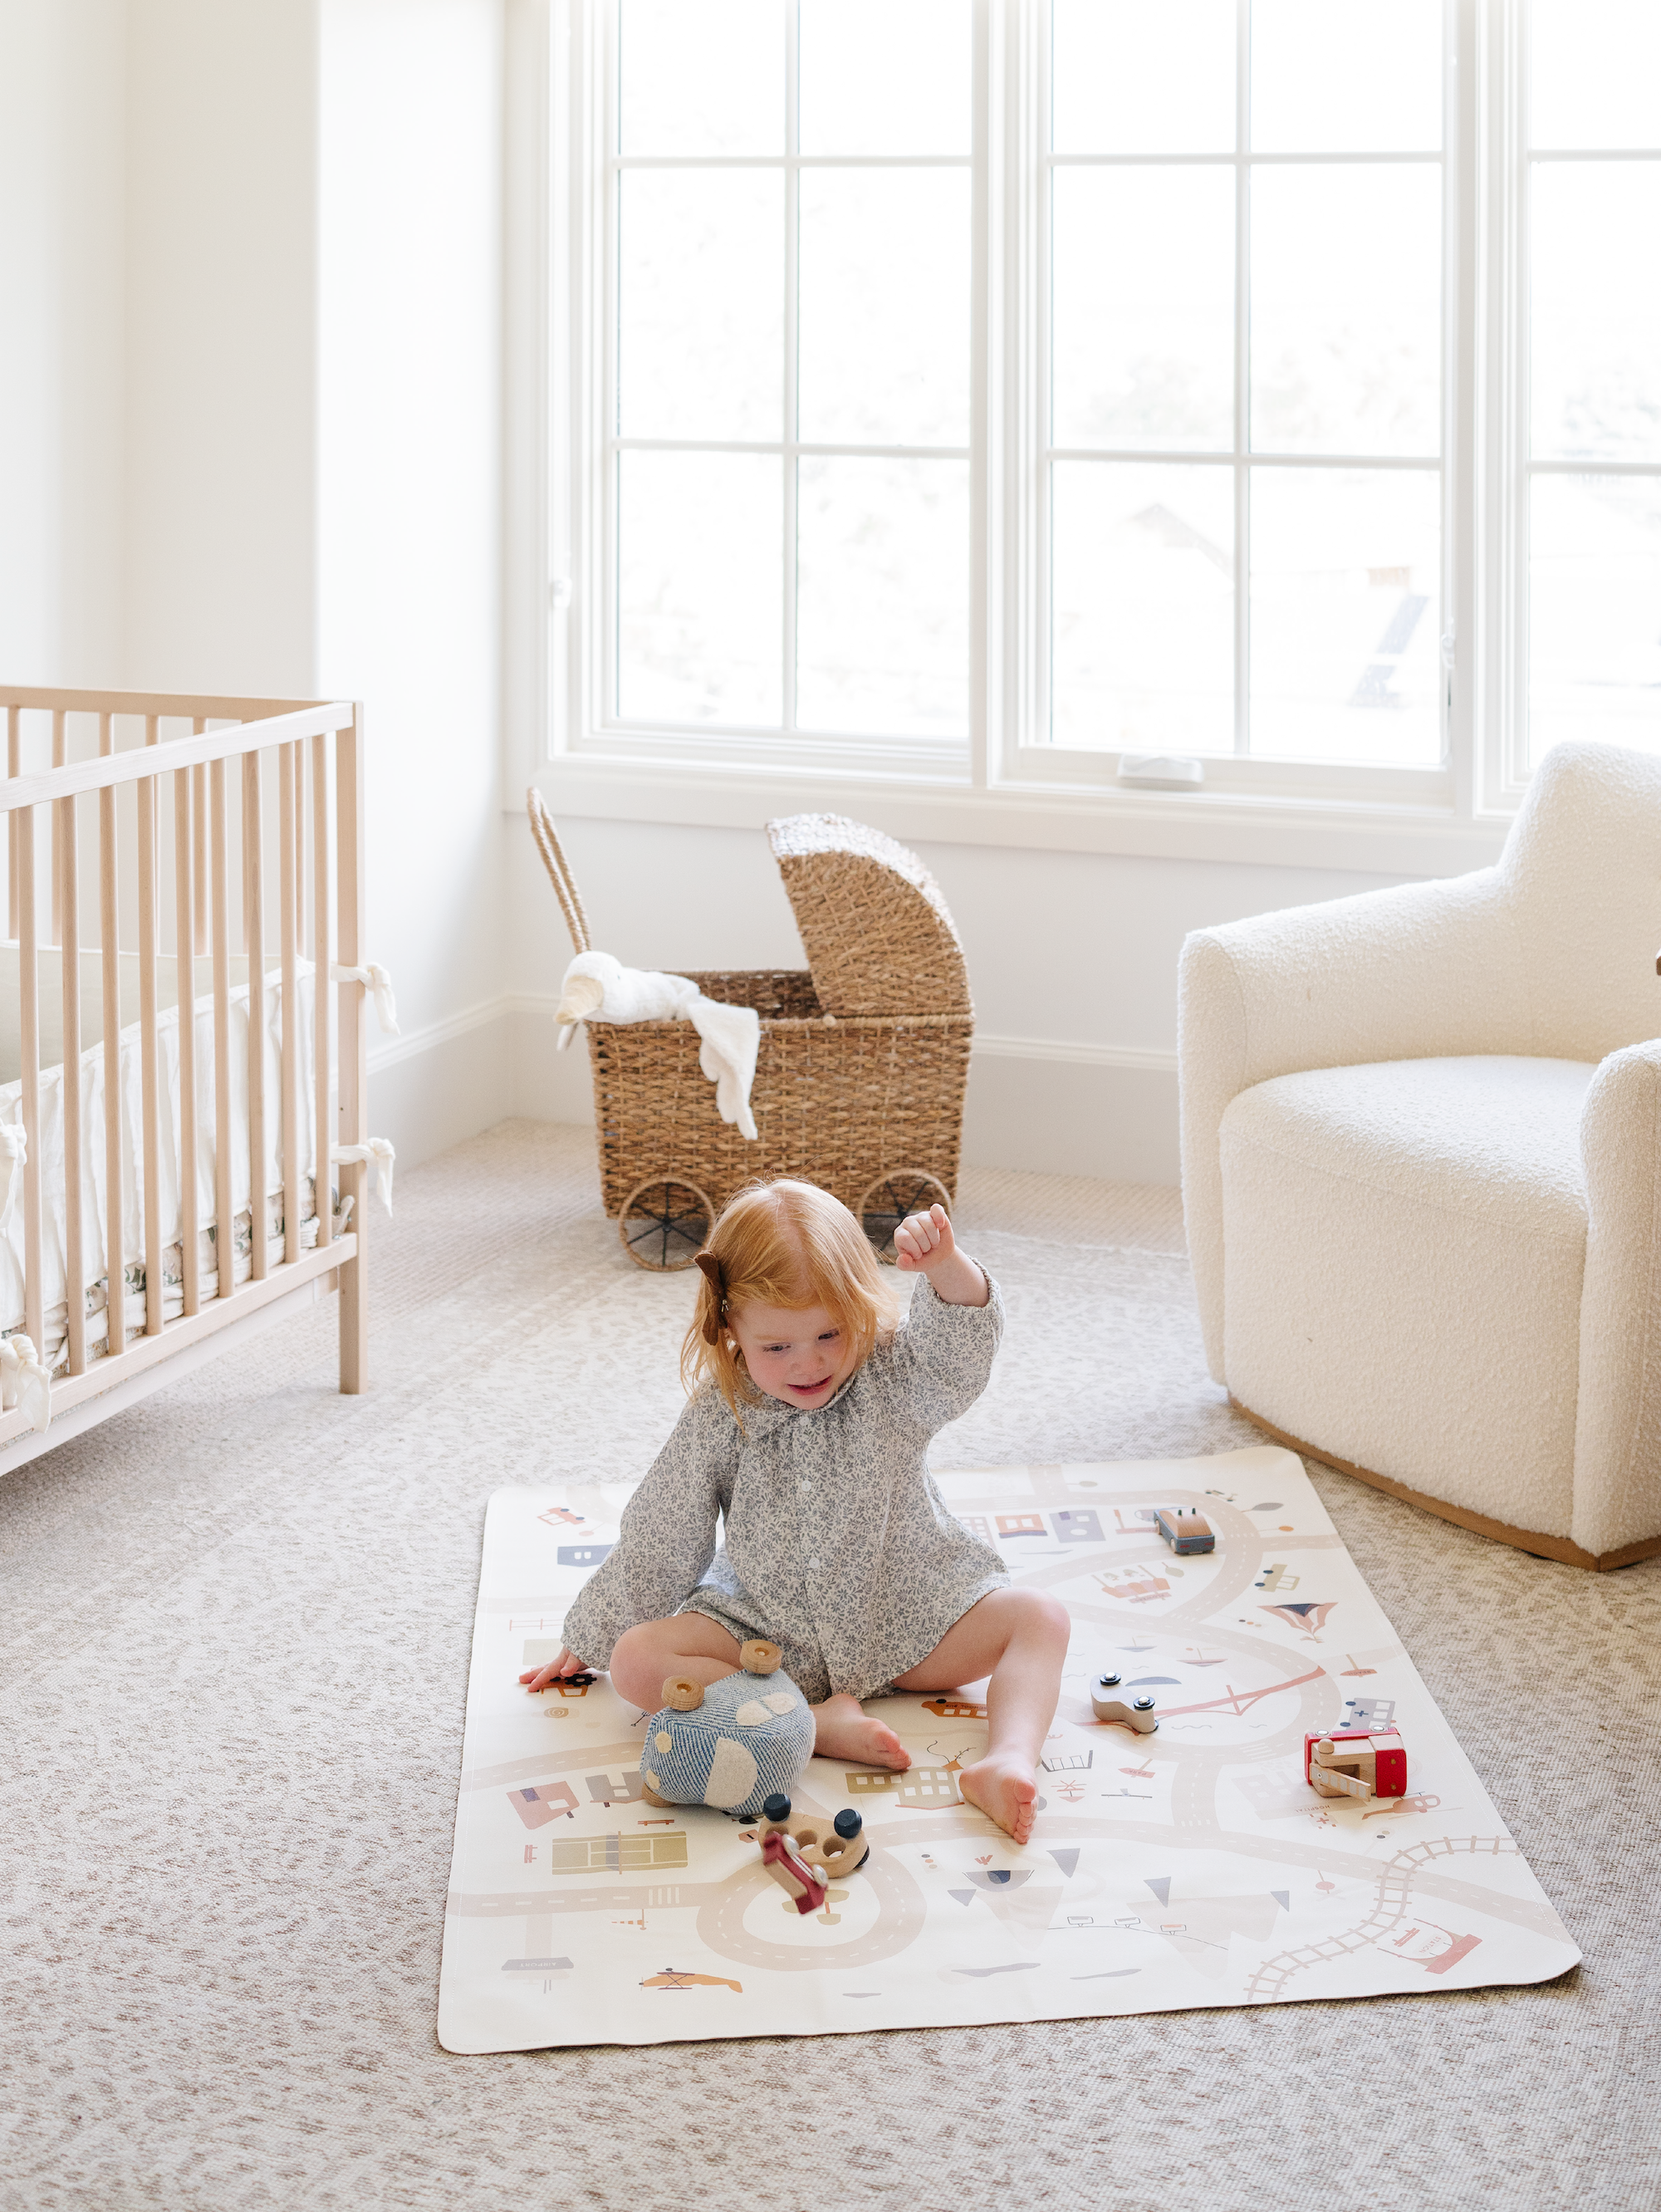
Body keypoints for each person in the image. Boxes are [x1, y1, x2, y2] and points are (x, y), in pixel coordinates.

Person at [519, 1178, 1070, 1844]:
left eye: (829, 1333)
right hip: (768, 1639)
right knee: (636, 1658)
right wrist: (592, 1632)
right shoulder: (720, 1412)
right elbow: (664, 1532)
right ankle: (809, 1720)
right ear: (730, 1329)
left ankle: (1007, 1758)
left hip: (909, 1615)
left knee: (1040, 1617)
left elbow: (957, 1360)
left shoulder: (894, 1377)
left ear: (859, 1306)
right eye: (776, 1347)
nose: (807, 1363)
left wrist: (946, 1266)